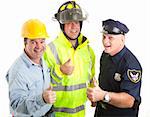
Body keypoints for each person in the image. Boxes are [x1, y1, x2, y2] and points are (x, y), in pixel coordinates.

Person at [43, 1, 95, 117]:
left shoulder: (88, 50)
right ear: (62, 25)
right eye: (69, 22)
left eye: (77, 22)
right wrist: (60, 70)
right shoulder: (49, 50)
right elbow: (41, 84)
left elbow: (91, 77)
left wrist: (94, 93)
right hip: (57, 114)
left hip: (81, 114)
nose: (74, 27)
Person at [87, 19, 142, 117]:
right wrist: (96, 96)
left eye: (110, 38)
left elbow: (129, 100)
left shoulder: (131, 65)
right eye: (104, 37)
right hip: (102, 112)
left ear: (122, 39)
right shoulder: (105, 55)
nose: (105, 41)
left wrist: (103, 96)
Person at [6, 19, 56, 117]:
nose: (39, 46)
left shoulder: (41, 59)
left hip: (48, 113)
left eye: (42, 41)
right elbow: (16, 105)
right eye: (33, 42)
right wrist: (42, 99)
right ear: (25, 42)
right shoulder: (18, 71)